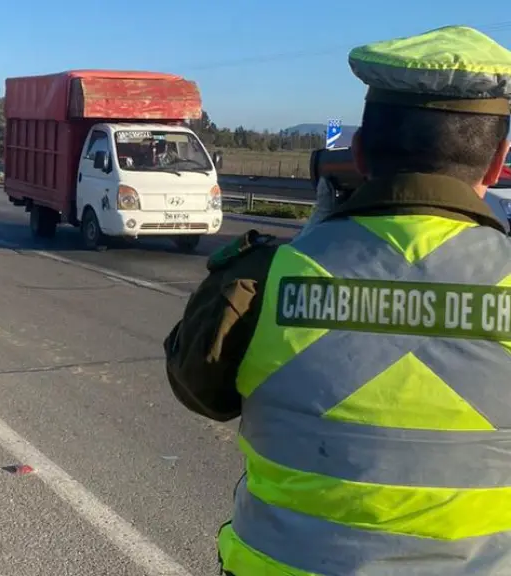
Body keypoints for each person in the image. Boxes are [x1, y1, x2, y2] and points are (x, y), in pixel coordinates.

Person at [163, 25, 511, 575]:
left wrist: (306, 248)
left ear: (361, 153)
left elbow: (199, 390)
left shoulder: (262, 278)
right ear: (497, 164)